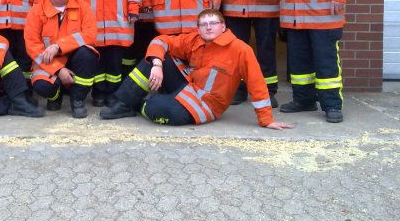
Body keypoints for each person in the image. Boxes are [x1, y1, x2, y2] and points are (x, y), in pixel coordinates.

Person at [100, 9, 294, 131]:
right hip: (189, 87)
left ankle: (140, 105)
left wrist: (266, 119)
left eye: (213, 23)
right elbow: (161, 40)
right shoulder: (195, 39)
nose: (208, 28)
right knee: (155, 56)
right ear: (199, 28)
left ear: (223, 26)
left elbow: (257, 84)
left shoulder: (240, 49)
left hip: (208, 104)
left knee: (162, 110)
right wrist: (158, 64)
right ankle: (124, 104)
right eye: (204, 24)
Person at [24, 0, 99, 118]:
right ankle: (55, 96)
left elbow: (90, 35)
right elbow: (32, 46)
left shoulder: (83, 7)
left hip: (75, 60)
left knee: (87, 54)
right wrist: (58, 70)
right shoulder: (36, 12)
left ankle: (77, 100)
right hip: (49, 62)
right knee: (41, 86)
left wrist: (58, 46)